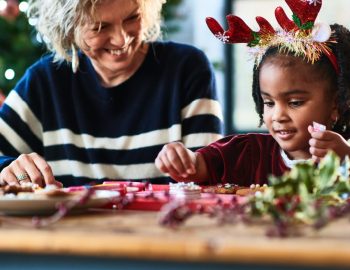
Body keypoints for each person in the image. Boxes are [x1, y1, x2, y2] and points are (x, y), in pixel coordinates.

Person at [0, 0, 223, 187]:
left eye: (132, 18)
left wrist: (194, 165)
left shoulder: (187, 69)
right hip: (68, 237)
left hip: (166, 235)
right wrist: (10, 169)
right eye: (100, 28)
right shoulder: (44, 82)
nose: (121, 39)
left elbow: (211, 176)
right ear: (69, 27)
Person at [155, 0, 350, 186]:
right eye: (269, 103)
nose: (278, 116)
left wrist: (345, 162)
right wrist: (183, 159)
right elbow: (201, 166)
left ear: (336, 104)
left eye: (295, 102)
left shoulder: (344, 157)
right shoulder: (247, 152)